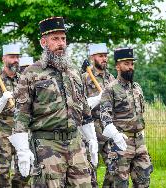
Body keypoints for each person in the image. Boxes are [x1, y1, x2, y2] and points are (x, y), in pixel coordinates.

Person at [8, 16, 98, 187]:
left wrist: (92, 138)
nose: (61, 43)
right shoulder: (31, 73)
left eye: (63, 38)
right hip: (47, 146)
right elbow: (21, 115)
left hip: (75, 143)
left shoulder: (74, 72)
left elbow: (85, 108)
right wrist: (22, 150)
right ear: (43, 42)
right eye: (55, 39)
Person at [100, 48, 153, 187]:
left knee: (144, 181)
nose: (130, 67)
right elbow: (104, 116)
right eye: (126, 64)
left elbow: (140, 114)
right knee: (119, 183)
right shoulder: (110, 89)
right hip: (121, 143)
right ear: (118, 66)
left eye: (132, 64)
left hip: (140, 143)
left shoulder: (137, 87)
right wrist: (116, 136)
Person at [0, 44, 25, 187]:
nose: (15, 60)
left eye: (17, 57)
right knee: (3, 172)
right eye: (12, 57)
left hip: (22, 129)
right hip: (3, 132)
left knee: (24, 170)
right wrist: (1, 101)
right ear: (4, 59)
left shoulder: (23, 79)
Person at [82, 43, 115, 187]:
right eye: (101, 56)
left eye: (106, 56)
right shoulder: (84, 77)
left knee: (114, 164)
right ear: (92, 57)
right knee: (90, 168)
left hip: (108, 125)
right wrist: (96, 99)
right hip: (90, 126)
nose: (104, 59)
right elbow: (80, 103)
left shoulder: (111, 78)